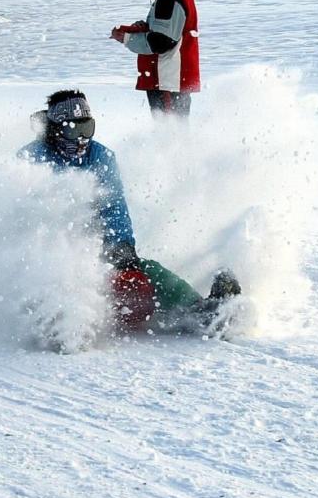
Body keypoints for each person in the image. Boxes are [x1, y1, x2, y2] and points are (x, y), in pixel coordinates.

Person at [18, 89, 241, 335]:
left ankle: (201, 312)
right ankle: (58, 324)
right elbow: (25, 220)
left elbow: (114, 207)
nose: (82, 139)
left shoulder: (100, 157)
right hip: (48, 260)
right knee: (62, 282)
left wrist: (121, 246)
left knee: (149, 272)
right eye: (74, 130)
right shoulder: (31, 160)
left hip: (98, 249)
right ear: (57, 129)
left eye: (87, 129)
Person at [110, 0, 199, 117]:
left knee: (169, 131)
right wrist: (144, 28)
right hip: (169, 78)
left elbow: (161, 42)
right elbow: (166, 31)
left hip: (168, 78)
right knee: (172, 129)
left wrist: (126, 38)